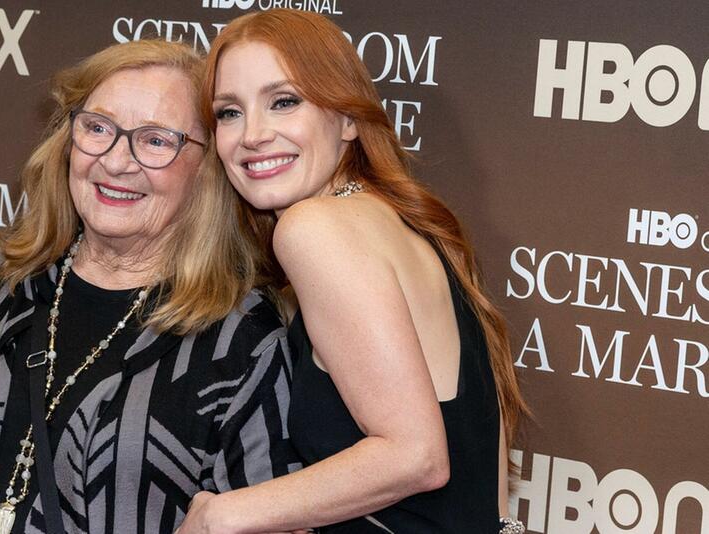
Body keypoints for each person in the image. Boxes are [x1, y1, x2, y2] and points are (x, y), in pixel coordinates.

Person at [0, 40, 299, 534]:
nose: (114, 161)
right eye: (98, 128)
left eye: (154, 140)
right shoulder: (9, 276)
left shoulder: (242, 336)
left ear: (207, 168)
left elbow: (267, 519)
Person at [178, 10, 528, 534]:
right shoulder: (398, 222)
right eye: (228, 112)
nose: (252, 134)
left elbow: (416, 456)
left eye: (284, 102)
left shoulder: (313, 229)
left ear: (347, 119)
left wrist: (221, 514)